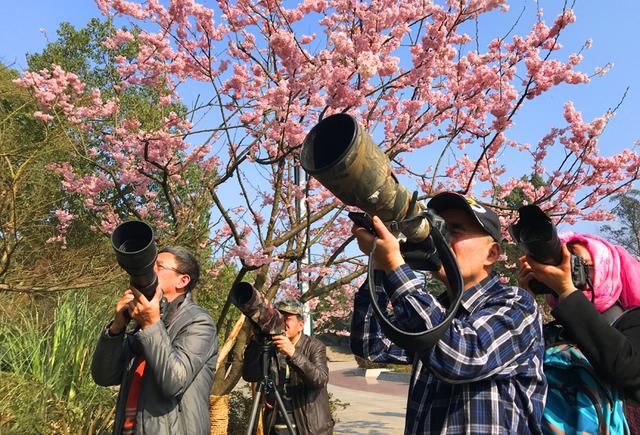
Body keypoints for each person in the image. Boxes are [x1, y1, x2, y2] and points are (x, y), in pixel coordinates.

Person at [350, 191, 547, 434]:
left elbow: (463, 357)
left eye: (455, 230)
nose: (442, 240)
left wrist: (395, 265)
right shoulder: (433, 310)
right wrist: (379, 268)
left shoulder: (517, 304)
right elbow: (373, 346)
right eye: (438, 230)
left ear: (492, 253)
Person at [518, 231, 640, 433]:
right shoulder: (552, 331)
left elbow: (628, 369)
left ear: (606, 269)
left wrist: (567, 291)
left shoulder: (632, 319)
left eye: (579, 264)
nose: (568, 273)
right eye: (561, 265)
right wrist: (525, 301)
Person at [91, 246, 218, 435]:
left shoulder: (199, 323)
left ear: (182, 280)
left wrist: (151, 325)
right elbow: (103, 377)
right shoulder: (142, 325)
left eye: (159, 266)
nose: (151, 271)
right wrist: (116, 328)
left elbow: (174, 382)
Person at [242, 300, 334, 435]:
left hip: (309, 427)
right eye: (279, 318)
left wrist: (292, 353)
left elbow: (319, 380)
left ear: (301, 325)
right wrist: (257, 341)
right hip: (277, 426)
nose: (282, 323)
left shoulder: (315, 346)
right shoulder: (271, 346)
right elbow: (250, 375)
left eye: (287, 319)